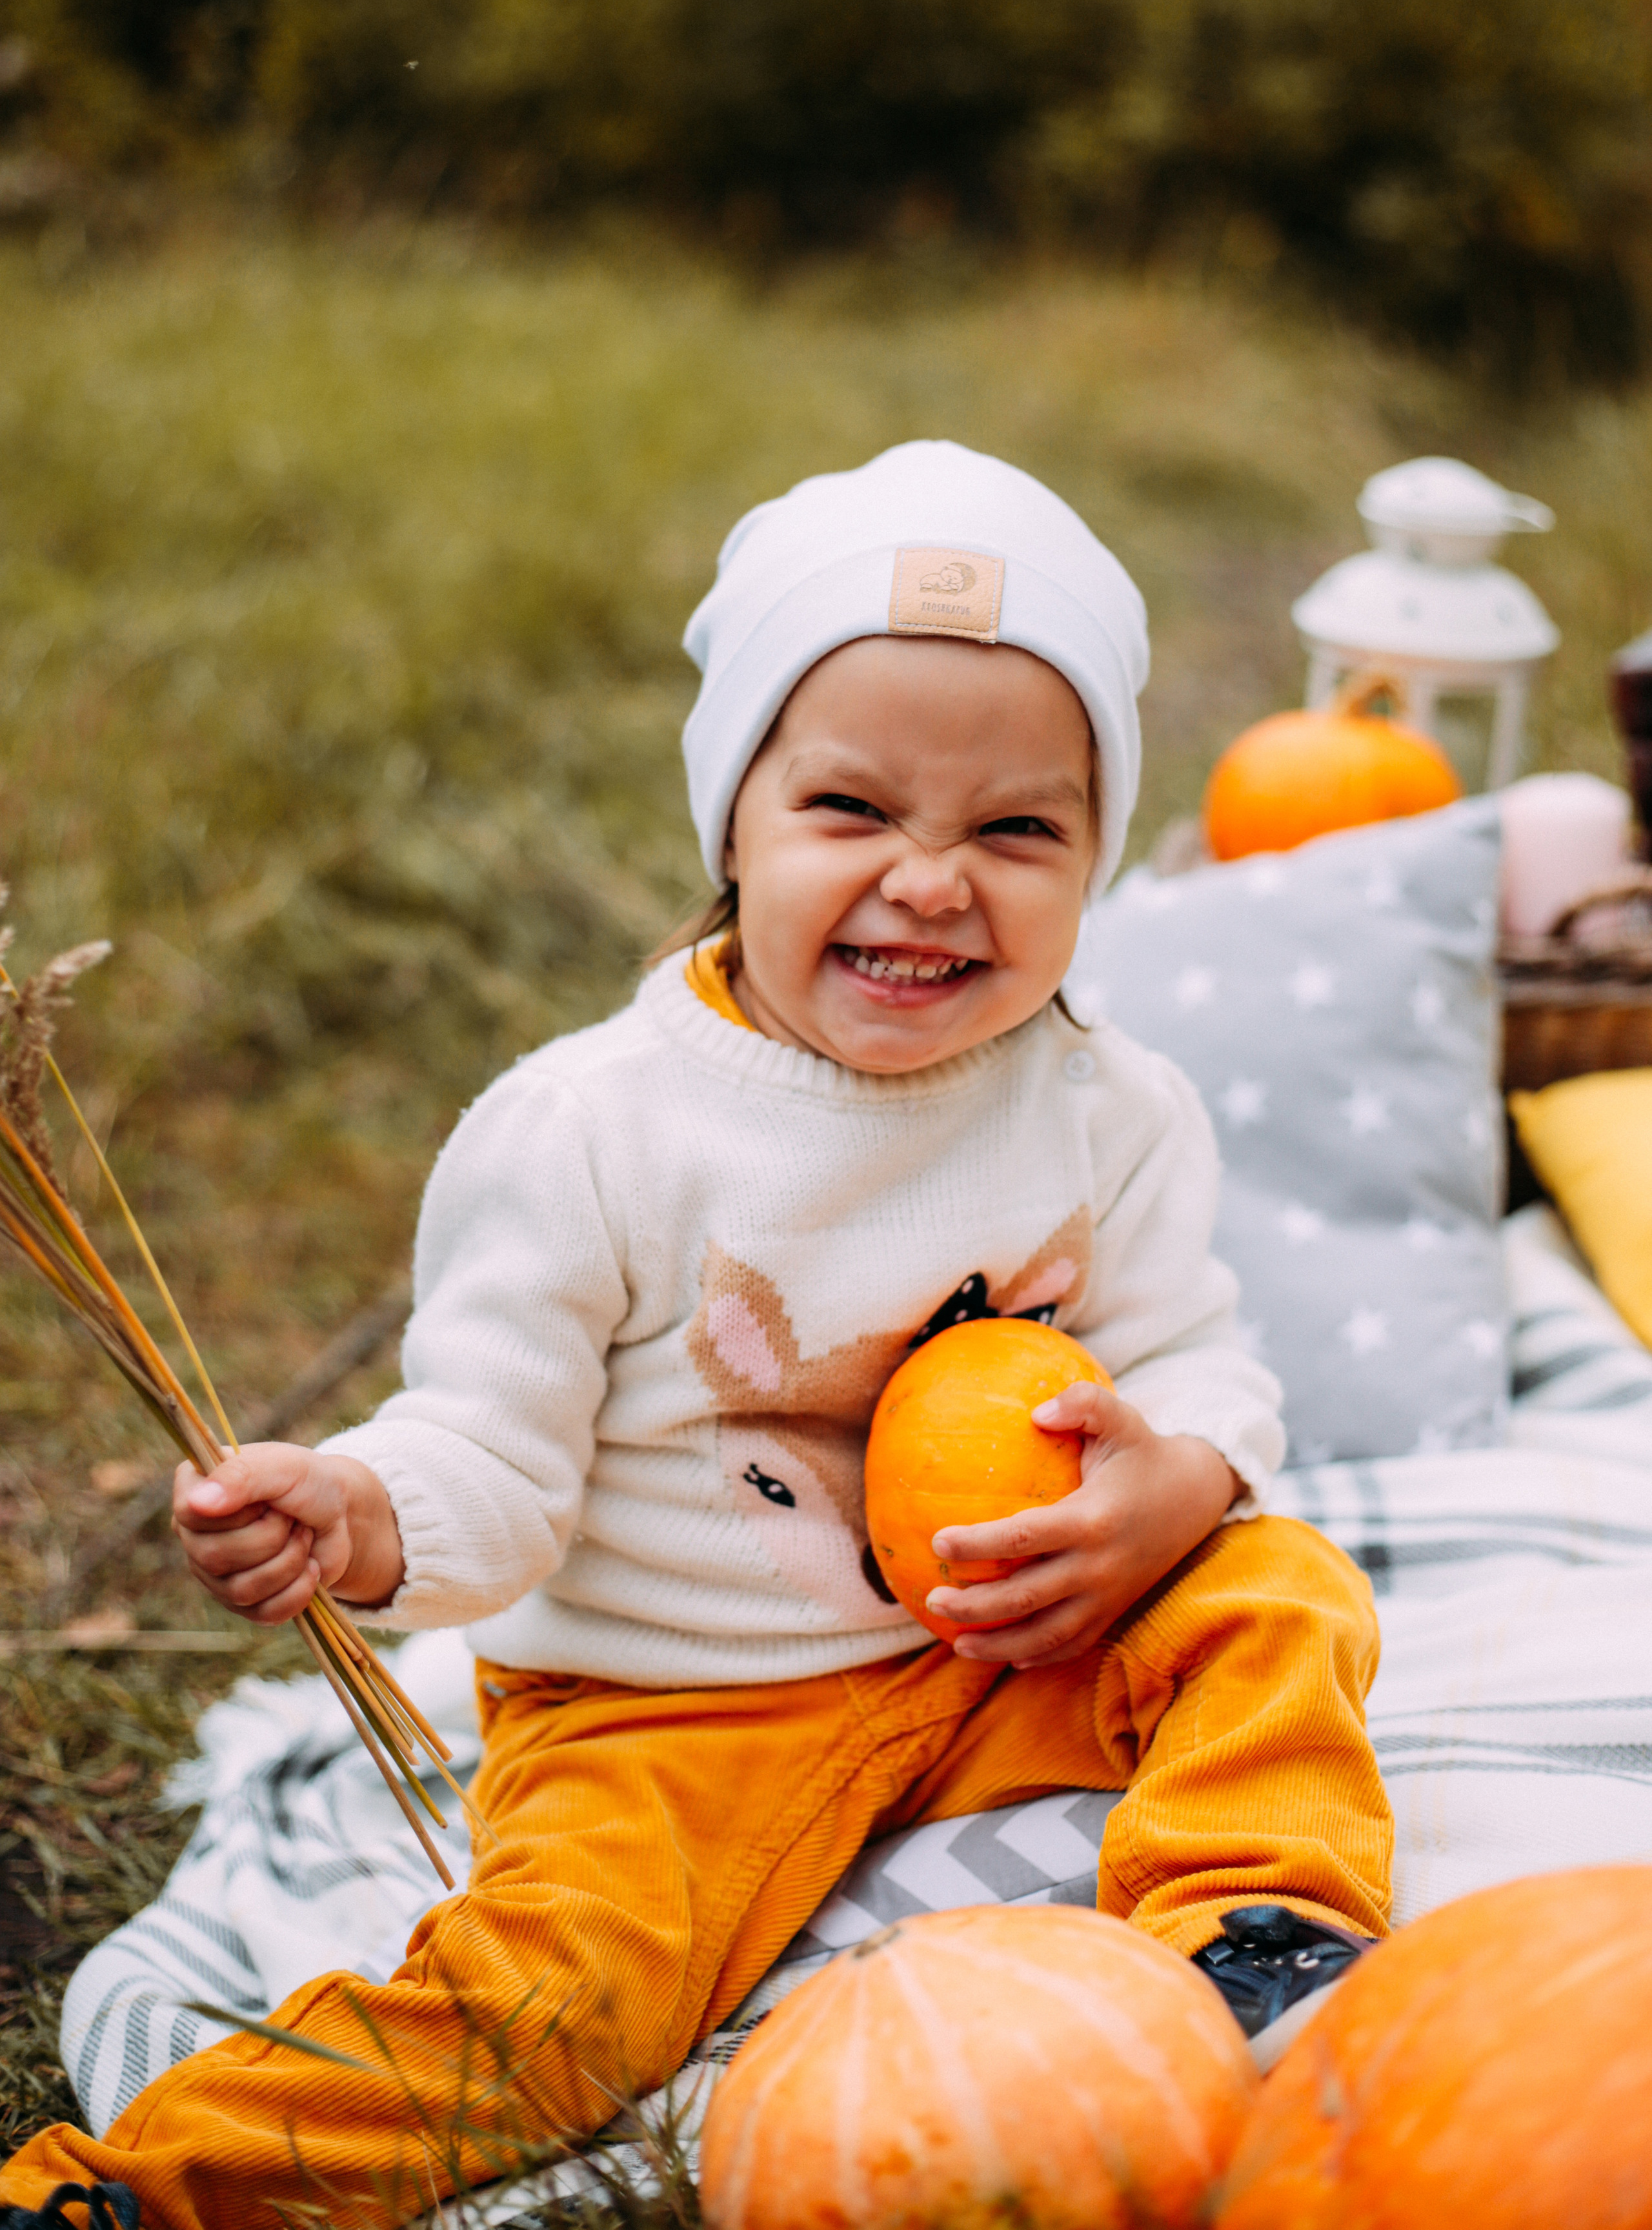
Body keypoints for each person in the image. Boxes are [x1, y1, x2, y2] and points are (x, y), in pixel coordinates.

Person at [0, 442, 1391, 2230]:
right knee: (553, 2009)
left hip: (1001, 1654)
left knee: (1278, 1593)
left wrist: (1176, 1481)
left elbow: (1193, 1350)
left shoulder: (1109, 1108)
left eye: (1017, 831)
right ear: (735, 821)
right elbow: (490, 1453)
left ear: (1096, 858)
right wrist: (362, 1511)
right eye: (852, 810)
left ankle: (1255, 1930)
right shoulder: (595, 1134)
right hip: (672, 1714)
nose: (932, 882)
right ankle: (146, 2191)